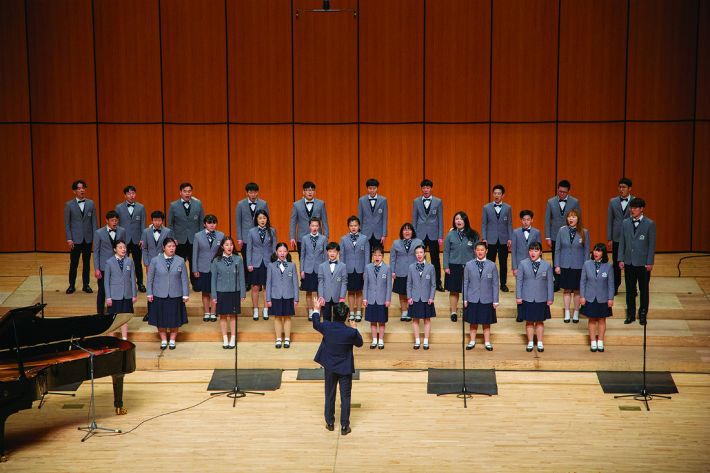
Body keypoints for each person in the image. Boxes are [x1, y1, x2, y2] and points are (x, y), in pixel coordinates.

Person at [312, 299, 363, 436]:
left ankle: (330, 423)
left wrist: (317, 309)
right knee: (345, 396)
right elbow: (360, 343)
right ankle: (345, 426)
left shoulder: (327, 326)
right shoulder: (350, 332)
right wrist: (355, 328)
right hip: (345, 368)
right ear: (346, 316)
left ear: (334, 314)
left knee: (329, 394)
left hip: (329, 366)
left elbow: (315, 323)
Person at [146, 237, 189, 350]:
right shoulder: (155, 260)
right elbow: (150, 279)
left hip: (175, 294)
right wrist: (149, 293)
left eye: (173, 246)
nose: (172, 248)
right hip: (159, 294)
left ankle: (173, 340)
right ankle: (164, 340)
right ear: (163, 247)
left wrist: (185, 294)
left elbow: (184, 279)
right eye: (169, 246)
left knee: (175, 319)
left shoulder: (180, 260)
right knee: (161, 319)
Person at [618, 197, 655, 325]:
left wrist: (650, 262)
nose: (632, 210)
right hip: (629, 262)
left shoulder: (650, 224)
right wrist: (621, 259)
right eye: (631, 207)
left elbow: (651, 245)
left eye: (634, 208)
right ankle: (630, 314)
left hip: (643, 263)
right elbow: (622, 242)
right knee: (630, 290)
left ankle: (643, 313)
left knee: (643, 290)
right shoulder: (625, 223)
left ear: (641, 209)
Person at [516, 241, 554, 353]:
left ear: (541, 252)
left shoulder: (547, 265)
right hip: (527, 297)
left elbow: (550, 283)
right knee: (529, 321)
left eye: (536, 250)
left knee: (540, 321)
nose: (533, 253)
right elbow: (519, 281)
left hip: (541, 297)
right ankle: (530, 342)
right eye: (531, 250)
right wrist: (518, 296)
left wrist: (550, 298)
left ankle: (540, 342)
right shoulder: (523, 264)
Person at [544, 180, 582, 291]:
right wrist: (547, 237)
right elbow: (547, 220)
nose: (561, 194)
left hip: (570, 235)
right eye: (560, 191)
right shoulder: (550, 202)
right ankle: (557, 282)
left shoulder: (575, 202)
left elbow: (578, 219)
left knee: (569, 258)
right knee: (556, 258)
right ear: (557, 190)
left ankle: (569, 282)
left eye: (564, 192)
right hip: (554, 235)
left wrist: (579, 235)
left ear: (568, 191)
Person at [554, 209, 590, 323]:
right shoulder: (562, 231)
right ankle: (567, 312)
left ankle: (576, 312)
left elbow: (586, 251)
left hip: (579, 266)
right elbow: (557, 249)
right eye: (569, 217)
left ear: (578, 219)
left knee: (577, 290)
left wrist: (586, 267)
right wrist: (557, 265)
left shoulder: (584, 232)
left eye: (574, 217)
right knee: (566, 290)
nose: (571, 219)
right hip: (564, 265)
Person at [210, 236, 246, 349]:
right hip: (221, 291)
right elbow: (213, 279)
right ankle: (225, 338)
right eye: (226, 245)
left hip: (234, 291)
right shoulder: (216, 260)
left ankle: (233, 338)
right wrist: (214, 295)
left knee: (233, 316)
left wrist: (243, 293)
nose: (229, 247)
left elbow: (242, 277)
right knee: (223, 316)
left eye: (231, 244)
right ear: (222, 247)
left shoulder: (238, 259)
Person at [462, 242, 499, 351]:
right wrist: (465, 298)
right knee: (473, 321)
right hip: (472, 297)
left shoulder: (492, 265)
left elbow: (495, 284)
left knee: (486, 322)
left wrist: (495, 300)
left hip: (487, 298)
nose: (480, 252)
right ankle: (472, 341)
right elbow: (465, 282)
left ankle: (487, 342)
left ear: (486, 251)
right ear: (475, 251)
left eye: (482, 250)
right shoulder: (469, 265)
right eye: (478, 250)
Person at [443, 211, 479, 322]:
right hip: (453, 266)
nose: (458, 221)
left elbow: (477, 251)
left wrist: (477, 266)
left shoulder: (473, 234)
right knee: (453, 291)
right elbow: (446, 251)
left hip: (469, 267)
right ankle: (453, 312)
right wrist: (446, 266)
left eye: (461, 219)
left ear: (465, 221)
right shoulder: (450, 234)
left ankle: (467, 311)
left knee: (469, 291)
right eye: (456, 219)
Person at [168, 182, 204, 290]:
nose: (187, 193)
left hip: (194, 239)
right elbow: (170, 224)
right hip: (179, 240)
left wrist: (201, 238)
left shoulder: (198, 204)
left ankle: (195, 283)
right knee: (179, 263)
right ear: (180, 192)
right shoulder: (173, 205)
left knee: (194, 262)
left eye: (189, 191)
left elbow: (201, 222)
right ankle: (179, 284)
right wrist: (173, 238)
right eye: (185, 191)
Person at [64, 179, 97, 294]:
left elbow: (94, 222)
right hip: (75, 239)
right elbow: (67, 223)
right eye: (79, 188)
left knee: (86, 263)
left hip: (88, 238)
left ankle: (86, 285)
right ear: (74, 191)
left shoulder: (91, 203)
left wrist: (96, 238)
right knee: (74, 263)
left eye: (83, 188)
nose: (82, 190)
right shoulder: (69, 205)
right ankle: (71, 285)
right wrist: (69, 238)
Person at [580, 243, 614, 352]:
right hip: (589, 297)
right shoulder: (586, 264)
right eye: (595, 250)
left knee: (602, 320)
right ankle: (593, 342)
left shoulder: (608, 266)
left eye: (599, 251)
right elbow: (582, 282)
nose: (596, 253)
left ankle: (600, 341)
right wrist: (582, 296)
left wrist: (610, 298)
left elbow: (611, 284)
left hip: (603, 298)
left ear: (603, 253)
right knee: (591, 320)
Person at [412, 179, 444, 292]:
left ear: (431, 188)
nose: (426, 190)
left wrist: (440, 236)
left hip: (434, 234)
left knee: (435, 259)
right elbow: (414, 219)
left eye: (428, 188)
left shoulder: (438, 201)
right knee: (419, 258)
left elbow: (440, 220)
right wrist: (414, 236)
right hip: (420, 234)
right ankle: (418, 282)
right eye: (424, 188)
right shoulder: (416, 201)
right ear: (421, 189)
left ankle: (437, 283)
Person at [140, 211, 173, 321]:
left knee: (163, 286)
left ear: (162, 221)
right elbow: (144, 249)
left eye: (159, 220)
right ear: (152, 220)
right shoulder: (146, 232)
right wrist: (146, 263)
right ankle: (150, 312)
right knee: (151, 286)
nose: (157, 222)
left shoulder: (167, 231)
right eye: (155, 220)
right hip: (150, 263)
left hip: (163, 263)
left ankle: (164, 311)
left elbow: (169, 247)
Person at [265, 243, 300, 348]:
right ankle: (278, 338)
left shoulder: (292, 265)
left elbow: (295, 283)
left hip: (288, 295)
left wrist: (296, 298)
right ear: (276, 252)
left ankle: (287, 339)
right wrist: (268, 299)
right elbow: (268, 283)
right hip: (275, 295)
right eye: (280, 251)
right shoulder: (271, 266)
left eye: (284, 251)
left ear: (287, 252)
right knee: (277, 317)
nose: (282, 253)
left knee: (287, 317)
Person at [235, 182, 269, 286]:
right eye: (250, 192)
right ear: (247, 193)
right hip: (245, 237)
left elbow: (267, 219)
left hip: (260, 235)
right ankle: (248, 282)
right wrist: (239, 238)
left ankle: (259, 281)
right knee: (247, 259)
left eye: (255, 192)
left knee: (259, 259)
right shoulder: (240, 204)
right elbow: (238, 222)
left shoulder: (263, 203)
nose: (253, 195)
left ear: (257, 192)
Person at [192, 215, 224, 322]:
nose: (212, 225)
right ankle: (206, 312)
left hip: (217, 268)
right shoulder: (198, 236)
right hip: (203, 268)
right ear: (204, 224)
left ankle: (213, 313)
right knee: (205, 291)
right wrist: (195, 269)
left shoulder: (221, 235)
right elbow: (195, 254)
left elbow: (222, 253)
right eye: (209, 222)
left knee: (214, 291)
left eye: (214, 222)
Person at [246, 209, 277, 321]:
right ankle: (255, 309)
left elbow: (274, 248)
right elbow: (249, 249)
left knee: (266, 287)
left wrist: (275, 263)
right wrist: (249, 263)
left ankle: (266, 309)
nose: (262, 220)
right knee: (255, 287)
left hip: (268, 262)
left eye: (264, 218)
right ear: (256, 220)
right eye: (260, 218)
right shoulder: (251, 231)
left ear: (267, 219)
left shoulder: (272, 231)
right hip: (255, 263)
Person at [481, 184, 513, 292]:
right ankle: (488, 283)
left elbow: (509, 224)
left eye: (499, 193)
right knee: (490, 263)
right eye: (495, 193)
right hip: (490, 239)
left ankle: (503, 284)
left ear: (503, 195)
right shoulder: (486, 207)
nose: (497, 195)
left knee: (503, 263)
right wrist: (484, 238)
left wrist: (510, 238)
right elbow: (484, 224)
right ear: (492, 194)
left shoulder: (508, 208)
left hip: (504, 239)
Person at [94, 211, 126, 315]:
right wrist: (97, 268)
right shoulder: (99, 233)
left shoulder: (122, 231)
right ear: (107, 221)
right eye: (112, 220)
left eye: (116, 220)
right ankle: (100, 314)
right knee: (102, 291)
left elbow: (124, 249)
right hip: (104, 267)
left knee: (115, 290)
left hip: (118, 266)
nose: (114, 222)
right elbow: (96, 252)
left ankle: (112, 312)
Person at [104, 239, 137, 340]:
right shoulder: (109, 262)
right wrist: (108, 297)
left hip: (126, 294)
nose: (123, 249)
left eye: (124, 247)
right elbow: (106, 281)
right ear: (115, 249)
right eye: (120, 247)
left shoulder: (129, 261)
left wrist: (134, 294)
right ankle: (111, 340)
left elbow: (133, 279)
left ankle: (124, 339)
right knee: (112, 319)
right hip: (114, 295)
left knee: (124, 318)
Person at [115, 185, 147, 292]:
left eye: (133, 193)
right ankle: (124, 283)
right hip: (123, 241)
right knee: (123, 263)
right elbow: (117, 225)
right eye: (129, 193)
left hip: (137, 240)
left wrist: (142, 239)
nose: (131, 195)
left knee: (137, 263)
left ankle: (140, 283)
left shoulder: (141, 207)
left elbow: (143, 225)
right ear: (125, 195)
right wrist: (118, 240)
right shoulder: (119, 208)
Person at [390, 223, 423, 322]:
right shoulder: (396, 243)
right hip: (400, 271)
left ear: (412, 231)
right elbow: (392, 258)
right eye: (405, 230)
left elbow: (422, 257)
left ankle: (411, 311)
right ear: (402, 232)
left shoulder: (419, 242)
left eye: (409, 229)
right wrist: (392, 271)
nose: (407, 232)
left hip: (415, 271)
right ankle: (404, 312)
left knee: (413, 292)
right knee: (402, 293)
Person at [340, 216, 369, 322]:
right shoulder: (343, 239)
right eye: (351, 225)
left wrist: (366, 270)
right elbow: (342, 256)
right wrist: (342, 270)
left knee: (359, 291)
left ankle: (359, 312)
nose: (353, 227)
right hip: (348, 269)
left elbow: (367, 255)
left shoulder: (364, 238)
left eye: (355, 225)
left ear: (359, 226)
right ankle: (351, 313)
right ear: (348, 226)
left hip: (361, 269)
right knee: (351, 291)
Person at [607, 177, 633, 295]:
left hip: (631, 237)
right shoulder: (613, 201)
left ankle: (631, 288)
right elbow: (610, 220)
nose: (621, 189)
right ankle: (615, 287)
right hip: (616, 237)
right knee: (616, 263)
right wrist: (610, 238)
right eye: (620, 187)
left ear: (629, 189)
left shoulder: (635, 201)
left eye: (624, 187)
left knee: (630, 264)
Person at [407, 245, 436, 350]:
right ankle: (417, 341)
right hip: (414, 298)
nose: (419, 254)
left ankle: (426, 341)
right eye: (417, 253)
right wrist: (409, 297)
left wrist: (431, 297)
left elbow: (433, 284)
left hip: (426, 298)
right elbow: (409, 283)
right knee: (415, 320)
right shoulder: (411, 267)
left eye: (421, 252)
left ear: (424, 254)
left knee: (427, 320)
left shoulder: (430, 267)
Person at [363, 245, 391, 349]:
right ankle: (374, 340)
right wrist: (365, 298)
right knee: (373, 320)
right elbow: (366, 284)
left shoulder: (387, 268)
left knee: (382, 321)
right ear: (372, 256)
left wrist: (388, 299)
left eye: (379, 255)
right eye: (375, 255)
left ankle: (381, 340)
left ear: (383, 256)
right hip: (371, 298)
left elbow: (389, 286)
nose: (377, 257)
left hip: (382, 299)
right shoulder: (368, 267)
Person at [300, 217, 327, 320]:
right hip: (308, 268)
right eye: (312, 226)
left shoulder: (323, 238)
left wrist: (326, 270)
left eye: (316, 226)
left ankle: (317, 310)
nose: (314, 228)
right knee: (309, 291)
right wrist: (302, 270)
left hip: (320, 269)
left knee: (320, 291)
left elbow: (325, 255)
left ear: (319, 227)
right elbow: (302, 255)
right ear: (309, 226)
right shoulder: (304, 238)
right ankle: (311, 311)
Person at [290, 181, 329, 253]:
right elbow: (293, 222)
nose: (310, 192)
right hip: (301, 238)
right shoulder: (296, 205)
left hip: (318, 237)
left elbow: (324, 221)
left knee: (318, 258)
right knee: (302, 258)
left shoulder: (321, 204)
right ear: (303, 192)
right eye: (307, 190)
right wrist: (292, 237)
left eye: (312, 190)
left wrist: (326, 236)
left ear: (315, 192)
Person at [357, 178, 388, 257]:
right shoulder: (362, 200)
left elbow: (385, 218)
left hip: (379, 233)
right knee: (366, 255)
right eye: (370, 188)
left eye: (374, 188)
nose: (372, 190)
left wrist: (384, 235)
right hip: (365, 232)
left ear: (377, 188)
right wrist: (359, 233)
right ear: (367, 188)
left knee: (378, 254)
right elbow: (360, 218)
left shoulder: (383, 200)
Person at [318, 242, 348, 321]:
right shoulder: (322, 266)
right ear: (327, 252)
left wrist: (342, 296)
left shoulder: (343, 266)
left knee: (337, 320)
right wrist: (321, 296)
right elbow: (320, 282)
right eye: (330, 251)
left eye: (334, 251)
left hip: (338, 297)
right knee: (326, 320)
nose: (332, 253)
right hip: (325, 297)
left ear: (338, 252)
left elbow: (344, 282)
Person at [511, 210, 542, 278]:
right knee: (519, 283)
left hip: (533, 263)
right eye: (524, 220)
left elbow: (539, 250)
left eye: (528, 220)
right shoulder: (515, 232)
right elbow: (513, 251)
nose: (526, 222)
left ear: (532, 220)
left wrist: (539, 264)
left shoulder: (536, 232)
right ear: (521, 220)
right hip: (519, 264)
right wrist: (514, 267)